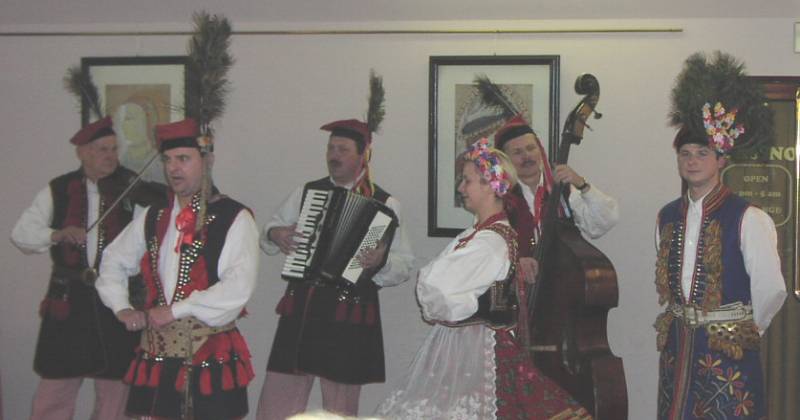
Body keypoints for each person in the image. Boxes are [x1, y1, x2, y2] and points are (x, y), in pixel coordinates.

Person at [375, 139, 591, 419]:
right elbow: (434, 289)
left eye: (467, 181)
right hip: (466, 345)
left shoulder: (490, 241)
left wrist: (444, 296)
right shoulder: (478, 235)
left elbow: (436, 289)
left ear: (490, 185)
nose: (461, 188)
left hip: (478, 348)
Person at [256, 105, 415, 417]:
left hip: (348, 308)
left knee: (340, 405)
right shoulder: (308, 192)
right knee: (279, 397)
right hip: (302, 306)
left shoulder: (385, 203)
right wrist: (277, 234)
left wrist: (378, 262)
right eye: (331, 148)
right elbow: (270, 229)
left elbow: (404, 263)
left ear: (363, 155)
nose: (334, 155)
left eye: (342, 149)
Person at [96, 118, 260, 420]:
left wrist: (175, 310)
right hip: (158, 355)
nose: (173, 168)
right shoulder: (153, 215)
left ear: (207, 161)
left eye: (183, 159)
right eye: (168, 160)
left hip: (209, 351)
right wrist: (121, 307)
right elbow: (112, 261)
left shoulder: (234, 217)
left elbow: (238, 287)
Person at [654, 51, 787, 419]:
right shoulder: (667, 217)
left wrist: (745, 327)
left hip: (727, 349)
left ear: (721, 159)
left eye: (702, 152)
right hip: (678, 348)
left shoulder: (748, 217)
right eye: (685, 153)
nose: (692, 160)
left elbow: (771, 288)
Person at [11, 116, 160, 420]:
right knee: (56, 386)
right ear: (82, 153)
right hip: (69, 299)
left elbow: (149, 236)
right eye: (102, 150)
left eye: (114, 149)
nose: (111, 156)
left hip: (117, 298)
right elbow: (22, 234)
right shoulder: (59, 188)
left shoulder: (130, 187)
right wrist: (56, 234)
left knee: (116, 389)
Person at [493, 115, 619, 279]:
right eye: (517, 152)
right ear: (506, 160)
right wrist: (512, 262)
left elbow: (604, 222)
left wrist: (581, 184)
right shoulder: (499, 199)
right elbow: (489, 249)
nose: (527, 156)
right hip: (521, 289)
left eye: (531, 148)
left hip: (564, 282)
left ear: (540, 150)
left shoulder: (563, 189)